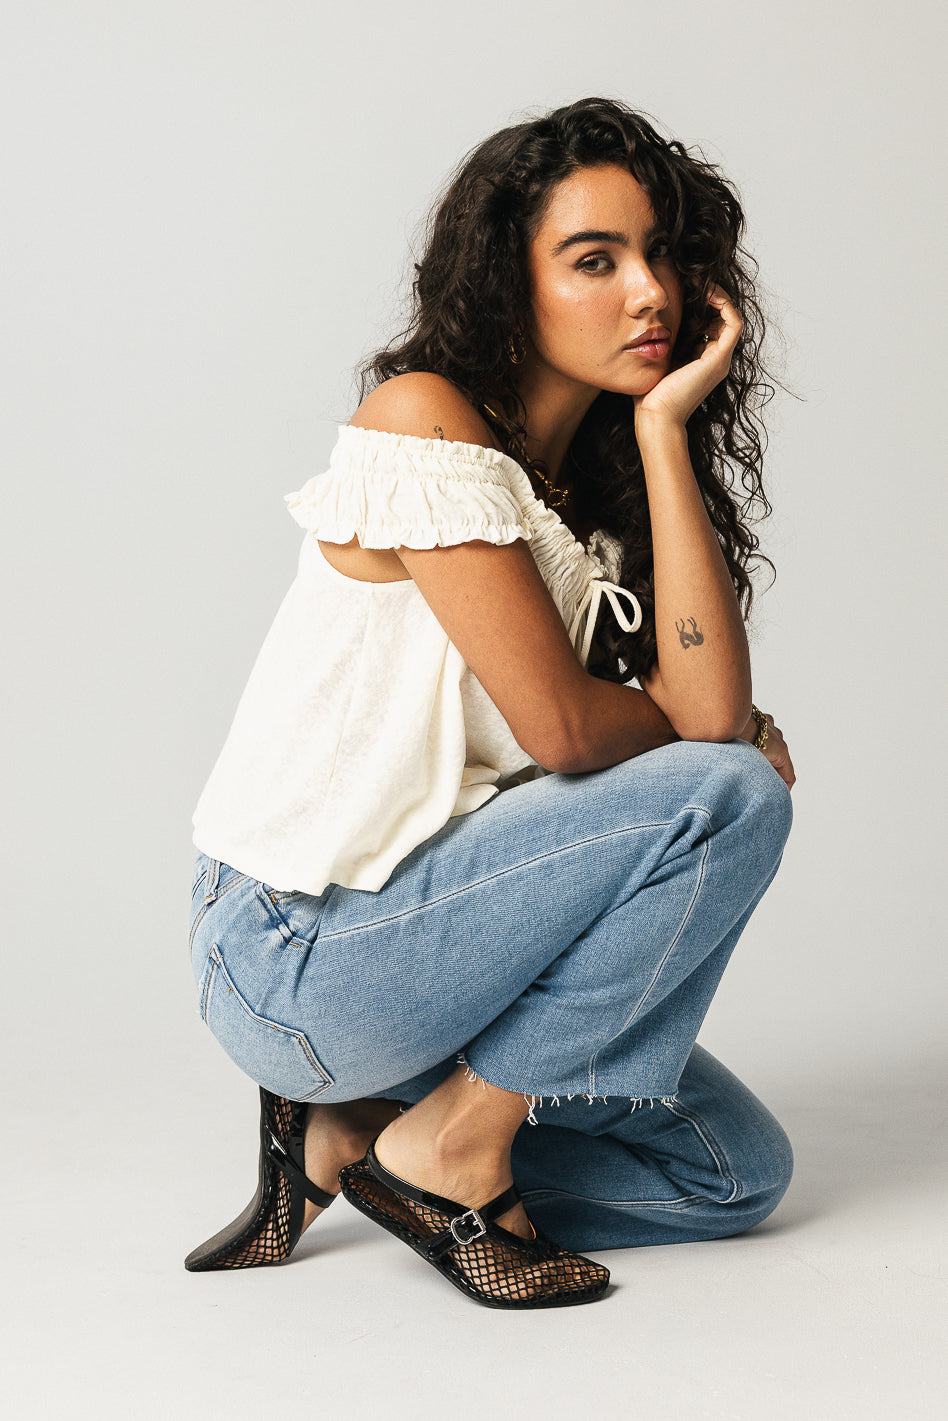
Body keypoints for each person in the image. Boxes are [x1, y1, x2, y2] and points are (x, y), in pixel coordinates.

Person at [185, 96, 797, 1310]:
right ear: (508, 280)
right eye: (595, 260)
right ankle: (457, 1148)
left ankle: (361, 1138)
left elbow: (707, 702)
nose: (651, 293)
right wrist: (691, 733)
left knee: (732, 1172)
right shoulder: (424, 420)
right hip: (294, 948)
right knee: (726, 792)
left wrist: (663, 432)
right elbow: (579, 731)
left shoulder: (590, 497)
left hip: (440, 951)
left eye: (662, 255)